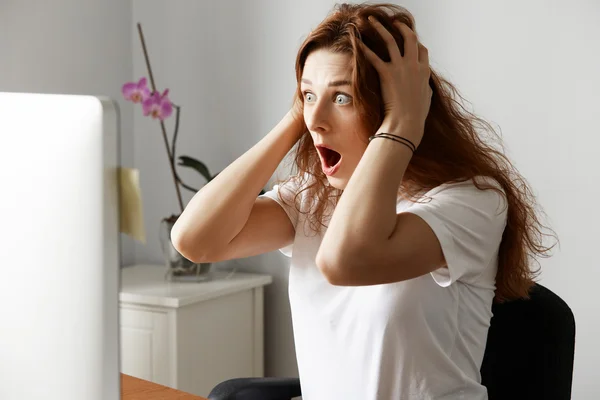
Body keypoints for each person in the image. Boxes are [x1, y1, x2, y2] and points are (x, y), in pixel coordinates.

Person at [172, 3, 557, 399]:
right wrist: (297, 116)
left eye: (343, 99)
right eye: (307, 95)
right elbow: (195, 241)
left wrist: (404, 125)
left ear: (396, 104)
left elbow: (345, 261)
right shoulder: (313, 195)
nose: (316, 120)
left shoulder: (470, 201)